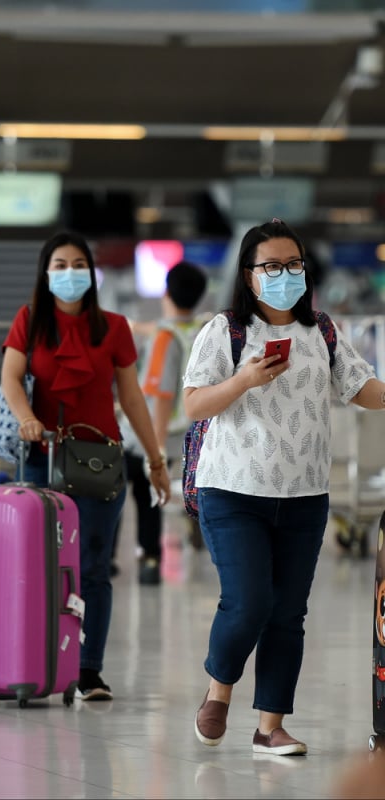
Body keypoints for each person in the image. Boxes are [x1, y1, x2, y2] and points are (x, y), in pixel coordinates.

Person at [184, 218, 385, 756]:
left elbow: (359, 387)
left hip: (304, 495)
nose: (285, 274)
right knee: (248, 601)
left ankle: (269, 726)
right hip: (232, 490)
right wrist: (244, 379)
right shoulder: (224, 330)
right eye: (271, 266)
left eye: (293, 264)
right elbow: (194, 403)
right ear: (249, 276)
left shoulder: (322, 330)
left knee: (288, 613)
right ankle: (218, 689)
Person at [0, 230, 171, 701]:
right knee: (38, 566)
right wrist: (28, 418)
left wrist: (155, 460)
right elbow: (11, 378)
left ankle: (88, 670)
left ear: (91, 275)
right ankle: (36, 662)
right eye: (60, 265)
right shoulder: (30, 321)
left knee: (93, 568)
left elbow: (132, 397)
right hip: (42, 460)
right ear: (45, 272)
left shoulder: (113, 327)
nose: (70, 273)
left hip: (98, 462)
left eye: (79, 265)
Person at [119, 261, 209, 584]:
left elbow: (160, 395)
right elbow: (154, 327)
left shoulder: (163, 340)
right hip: (177, 434)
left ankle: (122, 558)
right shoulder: (195, 330)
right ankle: (152, 556)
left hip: (144, 435)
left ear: (166, 292)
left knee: (120, 491)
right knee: (148, 497)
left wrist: (152, 447)